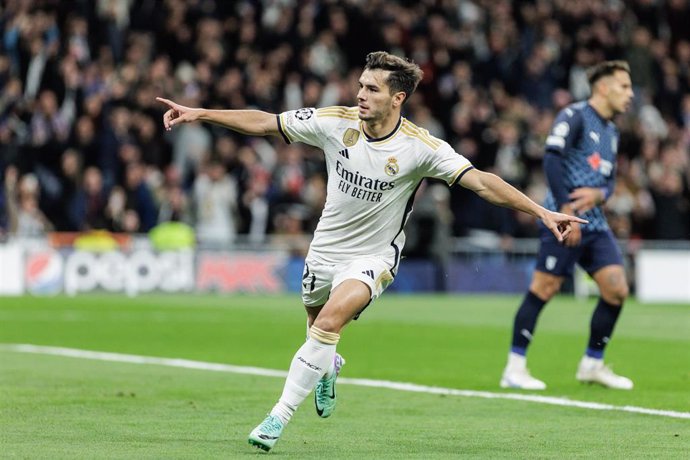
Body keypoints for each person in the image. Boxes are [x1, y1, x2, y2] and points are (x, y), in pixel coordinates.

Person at [157, 51, 586, 452]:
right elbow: (266, 122)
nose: (361, 95)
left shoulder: (421, 147)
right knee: (317, 332)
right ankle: (328, 366)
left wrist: (540, 211)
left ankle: (277, 417)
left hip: (374, 257)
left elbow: (481, 181)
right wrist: (202, 113)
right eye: (361, 86)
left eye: (373, 89)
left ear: (398, 98)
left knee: (327, 323)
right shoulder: (333, 122)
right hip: (324, 250)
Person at [500, 61, 635, 391]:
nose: (630, 95)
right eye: (624, 87)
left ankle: (592, 363)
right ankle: (514, 367)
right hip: (561, 220)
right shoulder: (574, 116)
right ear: (603, 87)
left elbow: (610, 182)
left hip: (596, 223)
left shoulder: (612, 131)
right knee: (544, 289)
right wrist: (563, 209)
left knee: (617, 289)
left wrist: (600, 194)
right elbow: (552, 157)